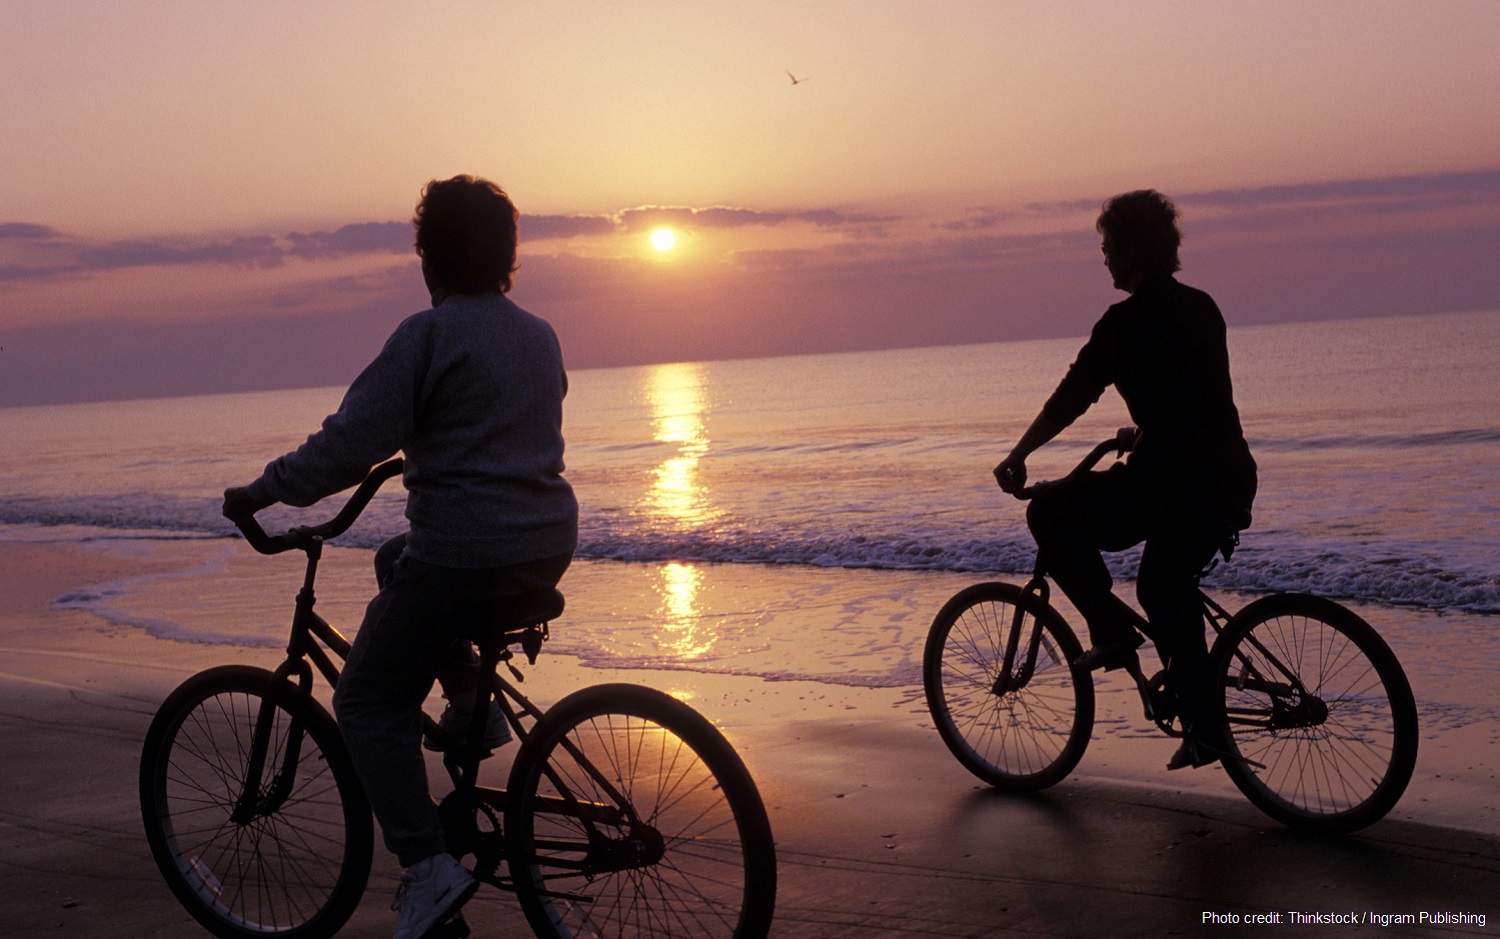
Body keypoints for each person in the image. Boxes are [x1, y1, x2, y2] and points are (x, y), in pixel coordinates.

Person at [223, 175, 578, 939]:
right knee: (395, 558)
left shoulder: (427, 335)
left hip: (466, 557)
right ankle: (470, 709)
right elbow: (498, 428)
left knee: (364, 704)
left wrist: (260, 492)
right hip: (544, 546)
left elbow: (348, 443)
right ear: (506, 259)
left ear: (430, 260)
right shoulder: (539, 333)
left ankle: (426, 865)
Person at [993, 189, 1256, 771]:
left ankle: (1117, 638)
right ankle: (1197, 708)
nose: (1104, 258)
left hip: (1175, 482)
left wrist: (1018, 454)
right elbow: (1195, 399)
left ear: (1133, 252)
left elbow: (1071, 397)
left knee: (1051, 516)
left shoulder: (1123, 324)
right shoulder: (1202, 306)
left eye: (1109, 247)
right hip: (1230, 476)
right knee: (1168, 582)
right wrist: (1145, 432)